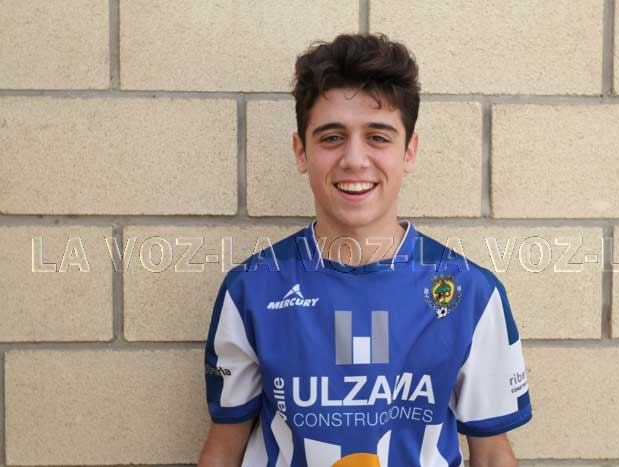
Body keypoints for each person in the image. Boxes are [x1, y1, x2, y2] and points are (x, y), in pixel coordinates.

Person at [197, 33, 531, 467]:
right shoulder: (251, 289)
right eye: (332, 137)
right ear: (301, 152)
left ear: (409, 151)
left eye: (378, 137)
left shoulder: (471, 293)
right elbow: (224, 448)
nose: (355, 159)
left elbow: (491, 454)